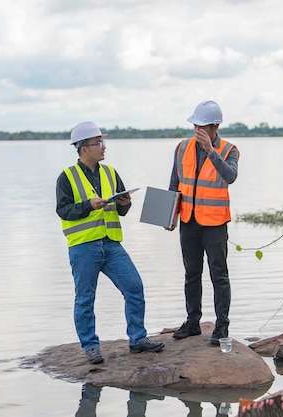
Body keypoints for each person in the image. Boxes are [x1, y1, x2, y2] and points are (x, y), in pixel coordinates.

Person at [56, 121, 165, 364]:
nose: (104, 147)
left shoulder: (110, 172)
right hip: (83, 247)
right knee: (85, 298)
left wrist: (125, 203)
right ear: (84, 148)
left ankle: (138, 339)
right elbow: (63, 211)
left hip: (112, 244)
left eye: (103, 142)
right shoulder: (67, 177)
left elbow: (122, 209)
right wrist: (88, 206)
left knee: (134, 288)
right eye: (99, 143)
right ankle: (91, 347)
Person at [168, 101, 239, 345]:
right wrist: (170, 215)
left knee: (219, 275)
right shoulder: (181, 148)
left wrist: (211, 150)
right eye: (195, 125)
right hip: (188, 221)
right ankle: (192, 322)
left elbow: (230, 177)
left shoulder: (229, 150)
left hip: (215, 223)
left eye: (201, 126)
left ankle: (222, 325)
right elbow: (175, 183)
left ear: (215, 126)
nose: (197, 130)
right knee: (191, 273)